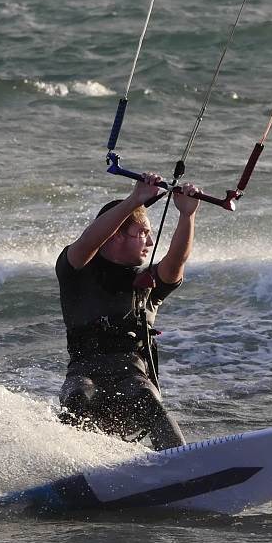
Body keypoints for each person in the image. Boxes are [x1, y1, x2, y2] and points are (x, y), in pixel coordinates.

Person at [56, 172, 203, 451]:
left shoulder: (148, 282)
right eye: (142, 233)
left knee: (144, 395)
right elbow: (90, 239)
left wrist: (187, 215)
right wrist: (135, 199)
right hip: (84, 377)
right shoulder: (75, 269)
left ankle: (180, 461)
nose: (150, 242)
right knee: (78, 395)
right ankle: (67, 465)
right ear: (114, 236)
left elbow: (175, 262)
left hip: (133, 383)